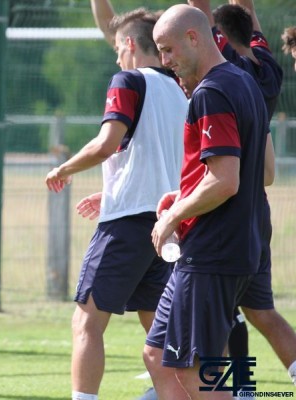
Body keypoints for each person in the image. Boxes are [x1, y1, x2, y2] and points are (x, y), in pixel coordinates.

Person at [45, 7, 187, 400]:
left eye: (117, 51)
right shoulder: (183, 89)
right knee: (159, 331)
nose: (116, 59)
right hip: (167, 225)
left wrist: (65, 168)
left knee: (87, 322)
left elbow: (107, 143)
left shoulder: (127, 79)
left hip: (126, 227)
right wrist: (111, 191)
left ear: (128, 45)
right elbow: (165, 162)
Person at [144, 5, 269, 399]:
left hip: (212, 254)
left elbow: (224, 181)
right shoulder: (242, 80)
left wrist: (170, 218)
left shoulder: (212, 92)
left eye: (167, 49)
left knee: (198, 371)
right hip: (228, 248)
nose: (165, 61)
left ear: (194, 38)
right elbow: (247, 170)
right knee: (157, 354)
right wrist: (181, 196)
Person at [190, 0, 296, 389]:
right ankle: (244, 389)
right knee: (260, 311)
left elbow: (197, 15)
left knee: (216, 313)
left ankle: (225, 389)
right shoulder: (267, 68)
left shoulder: (227, 73)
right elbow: (246, 17)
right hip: (256, 207)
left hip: (223, 207)